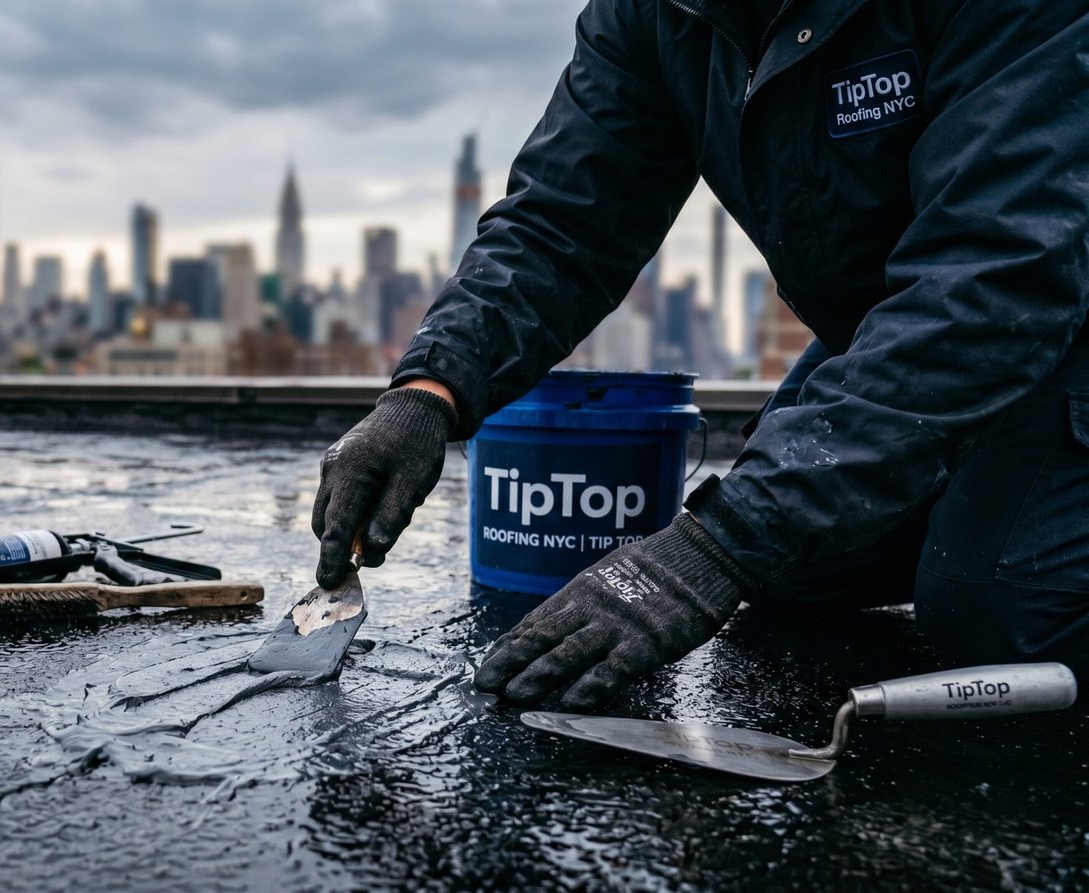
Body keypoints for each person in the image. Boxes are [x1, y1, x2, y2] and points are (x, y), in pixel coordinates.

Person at [313, 0, 1089, 710]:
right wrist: (426, 391)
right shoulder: (657, 12)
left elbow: (997, 274)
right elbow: (562, 221)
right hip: (896, 328)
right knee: (795, 563)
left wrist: (718, 545)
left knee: (1001, 610)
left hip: (1054, 314)